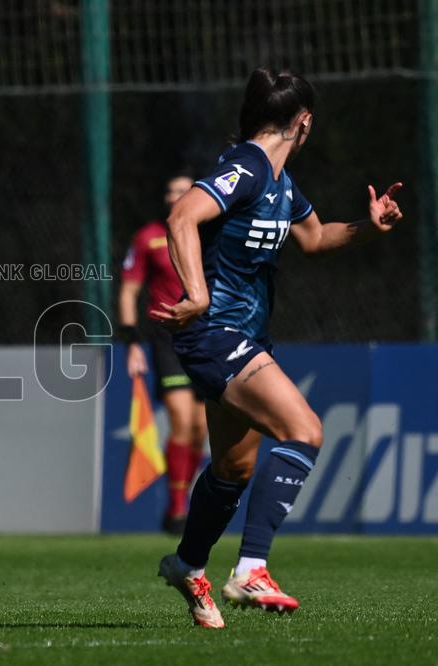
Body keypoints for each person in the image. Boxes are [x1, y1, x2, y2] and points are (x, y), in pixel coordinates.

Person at [153, 69, 403, 628]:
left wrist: (368, 225)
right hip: (216, 331)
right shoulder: (244, 167)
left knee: (233, 469)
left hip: (238, 335)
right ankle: (250, 568)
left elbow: (314, 239)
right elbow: (182, 216)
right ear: (303, 123)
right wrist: (196, 291)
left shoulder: (281, 183)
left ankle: (187, 563)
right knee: (305, 430)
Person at [119, 173, 208, 535]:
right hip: (166, 337)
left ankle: (187, 498)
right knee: (181, 420)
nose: (177, 196)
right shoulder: (148, 237)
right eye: (171, 190)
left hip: (205, 335)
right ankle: (176, 510)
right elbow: (128, 292)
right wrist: (132, 343)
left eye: (184, 191)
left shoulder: (207, 233)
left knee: (201, 427)